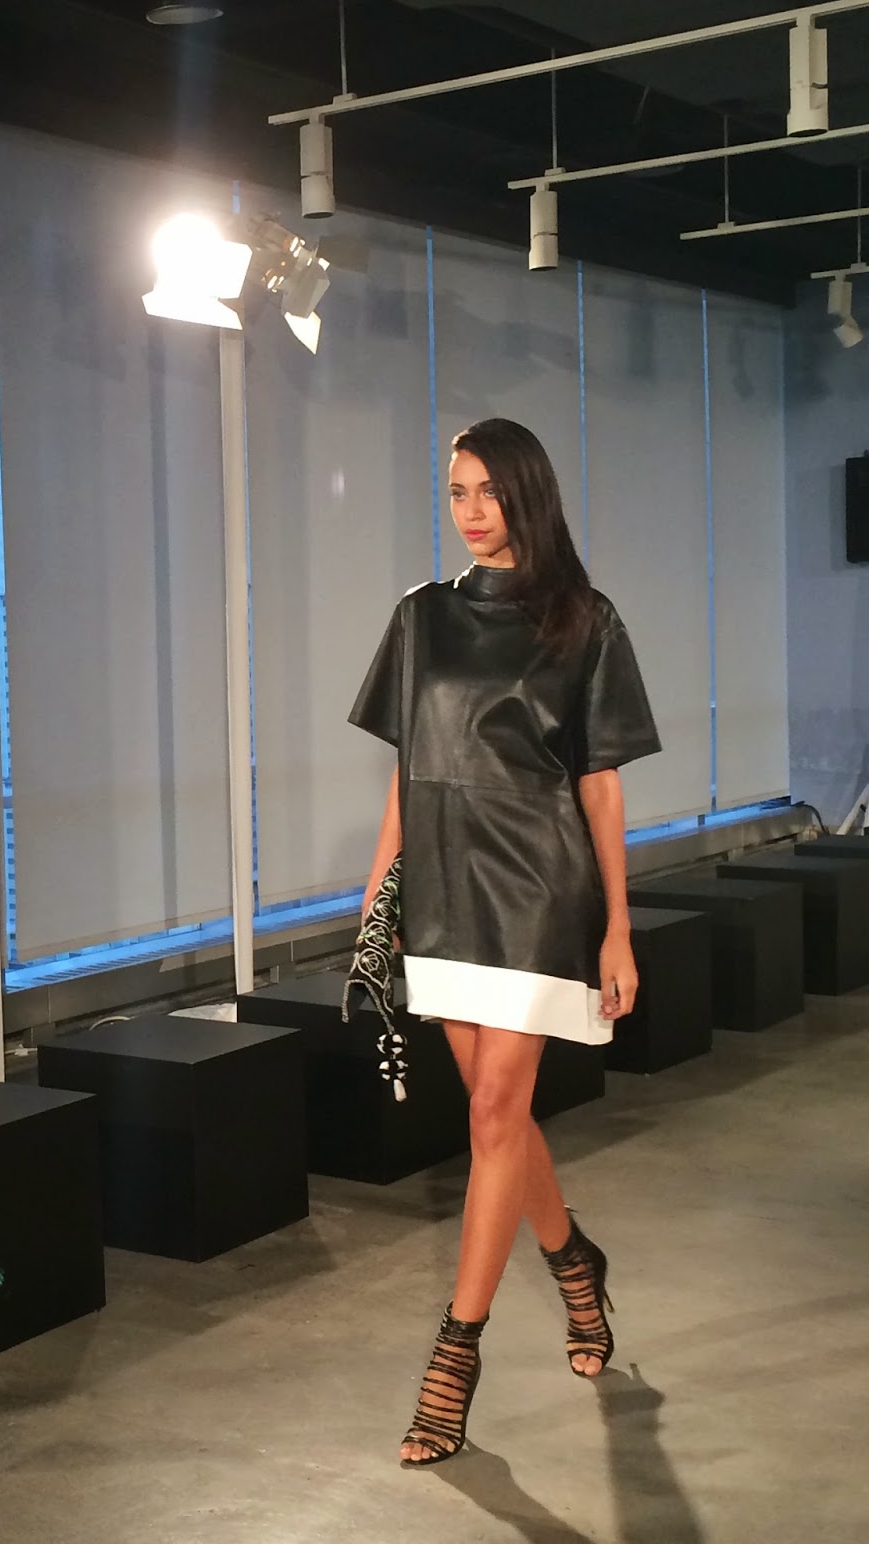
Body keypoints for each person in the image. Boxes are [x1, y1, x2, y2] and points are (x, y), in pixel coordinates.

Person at [348, 417, 661, 1468]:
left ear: (529, 494)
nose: (472, 512)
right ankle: (576, 1266)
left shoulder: (584, 619)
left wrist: (617, 928)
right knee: (502, 1116)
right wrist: (380, 891)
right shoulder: (421, 617)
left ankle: (454, 1359)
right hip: (443, 888)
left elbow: (600, 784)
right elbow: (408, 770)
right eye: (456, 491)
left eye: (488, 490)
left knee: (491, 1111)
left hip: (537, 888)